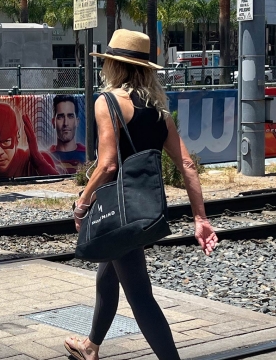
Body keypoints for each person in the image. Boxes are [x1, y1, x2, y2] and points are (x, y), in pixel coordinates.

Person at [64, 30, 218, 360]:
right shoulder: (159, 112)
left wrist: (82, 202)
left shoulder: (106, 102)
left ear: (113, 67)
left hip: (120, 211)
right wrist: (201, 219)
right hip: (143, 207)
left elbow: (106, 166)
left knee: (140, 296)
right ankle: (91, 346)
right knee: (108, 274)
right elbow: (188, 165)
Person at [0, 102, 59, 181]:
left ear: (17, 137)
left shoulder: (32, 164)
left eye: (6, 142)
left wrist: (38, 161)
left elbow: (59, 187)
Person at [50, 95, 86, 173]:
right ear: (53, 122)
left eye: (70, 116)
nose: (65, 123)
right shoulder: (45, 156)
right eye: (60, 117)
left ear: (77, 122)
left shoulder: (87, 155)